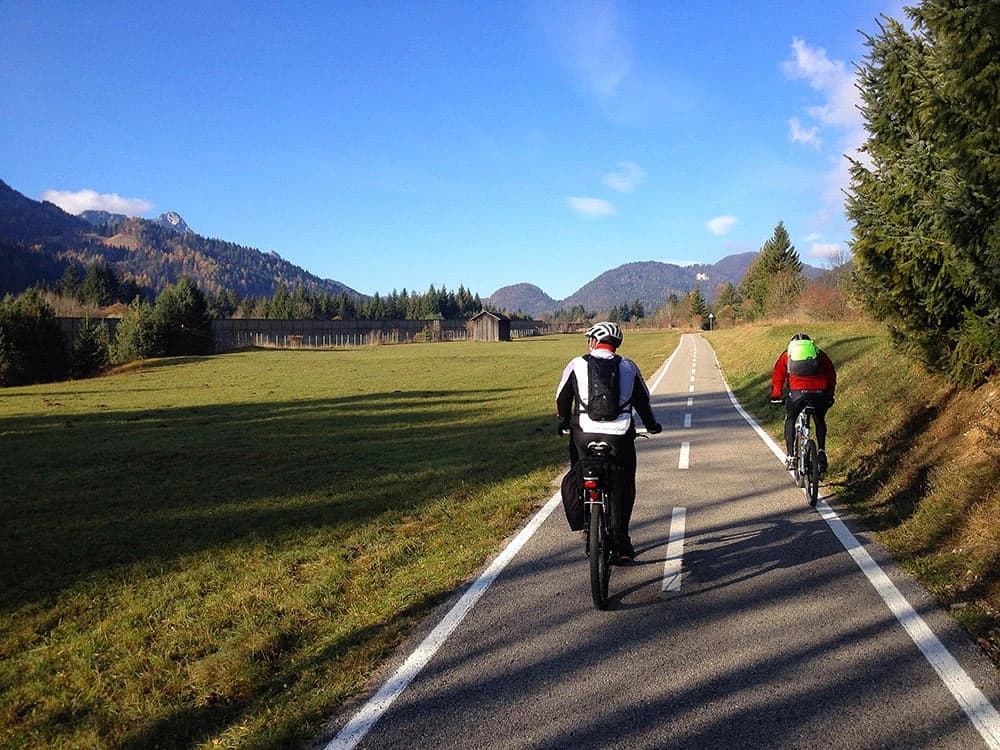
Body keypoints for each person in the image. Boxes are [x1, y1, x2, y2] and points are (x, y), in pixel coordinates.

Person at [555, 321, 661, 561]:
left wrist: (562, 422)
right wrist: (653, 425)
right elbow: (643, 402)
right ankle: (621, 540)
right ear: (616, 344)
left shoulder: (576, 364)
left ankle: (586, 523)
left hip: (583, 434)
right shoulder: (629, 366)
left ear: (593, 341)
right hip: (620, 436)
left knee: (579, 469)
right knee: (625, 481)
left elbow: (562, 399)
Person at [770, 332, 836, 473]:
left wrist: (776, 395)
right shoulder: (819, 354)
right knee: (819, 420)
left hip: (797, 394)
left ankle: (791, 457)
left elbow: (778, 376)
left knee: (791, 419)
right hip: (819, 393)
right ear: (810, 345)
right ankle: (821, 451)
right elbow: (831, 374)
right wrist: (829, 395)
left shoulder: (787, 355)